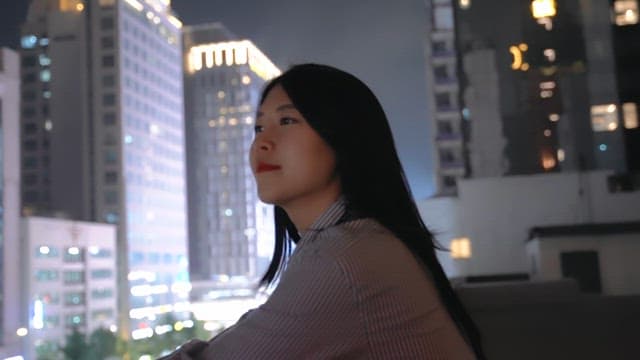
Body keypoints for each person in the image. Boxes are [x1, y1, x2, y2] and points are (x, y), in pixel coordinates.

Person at [162, 64, 485, 359]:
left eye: (287, 121)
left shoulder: (346, 260)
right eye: (259, 127)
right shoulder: (357, 243)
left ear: (341, 137)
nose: (262, 143)